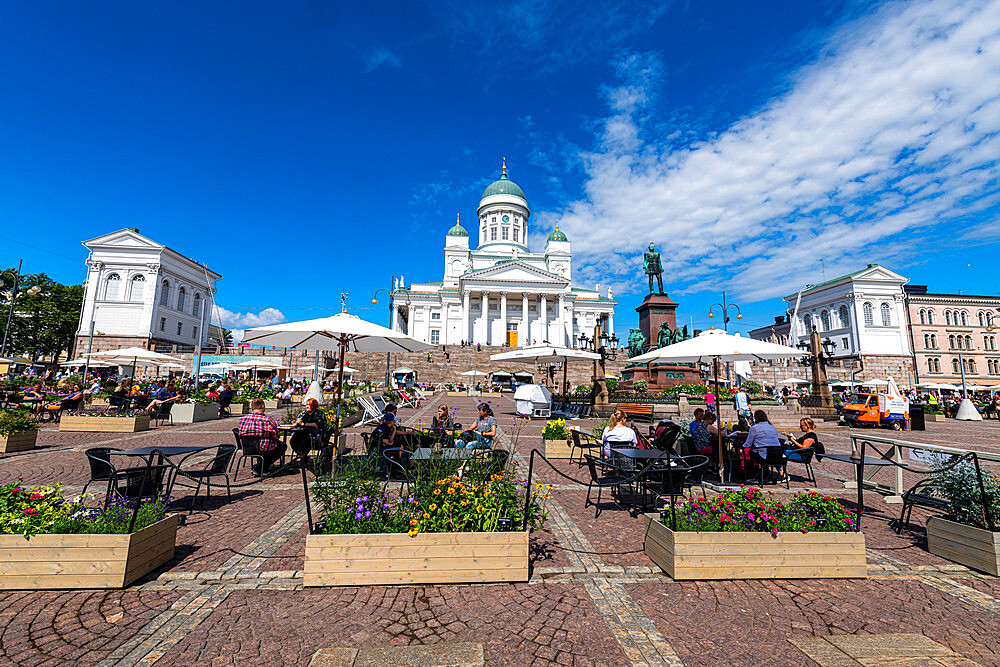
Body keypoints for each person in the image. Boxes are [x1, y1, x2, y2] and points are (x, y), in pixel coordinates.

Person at [238, 398, 284, 475]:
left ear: (252, 407)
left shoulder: (243, 419)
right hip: (263, 449)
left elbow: (240, 432)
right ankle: (261, 468)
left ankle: (261, 465)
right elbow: (277, 435)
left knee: (265, 447)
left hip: (247, 447)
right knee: (282, 446)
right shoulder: (267, 420)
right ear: (263, 407)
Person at [743, 410, 783, 482]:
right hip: (777, 453)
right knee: (760, 452)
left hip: (764, 454)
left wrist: (742, 446)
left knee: (749, 453)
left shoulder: (754, 428)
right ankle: (766, 476)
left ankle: (753, 476)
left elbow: (748, 443)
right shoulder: (772, 427)